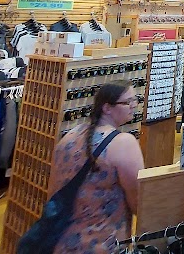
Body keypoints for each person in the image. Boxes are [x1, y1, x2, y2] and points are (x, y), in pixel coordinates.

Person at [48, 81, 145, 253]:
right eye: (127, 102)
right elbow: (138, 202)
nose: (134, 106)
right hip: (103, 244)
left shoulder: (69, 137)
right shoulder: (124, 144)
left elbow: (54, 190)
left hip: (61, 240)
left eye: (135, 100)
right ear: (107, 108)